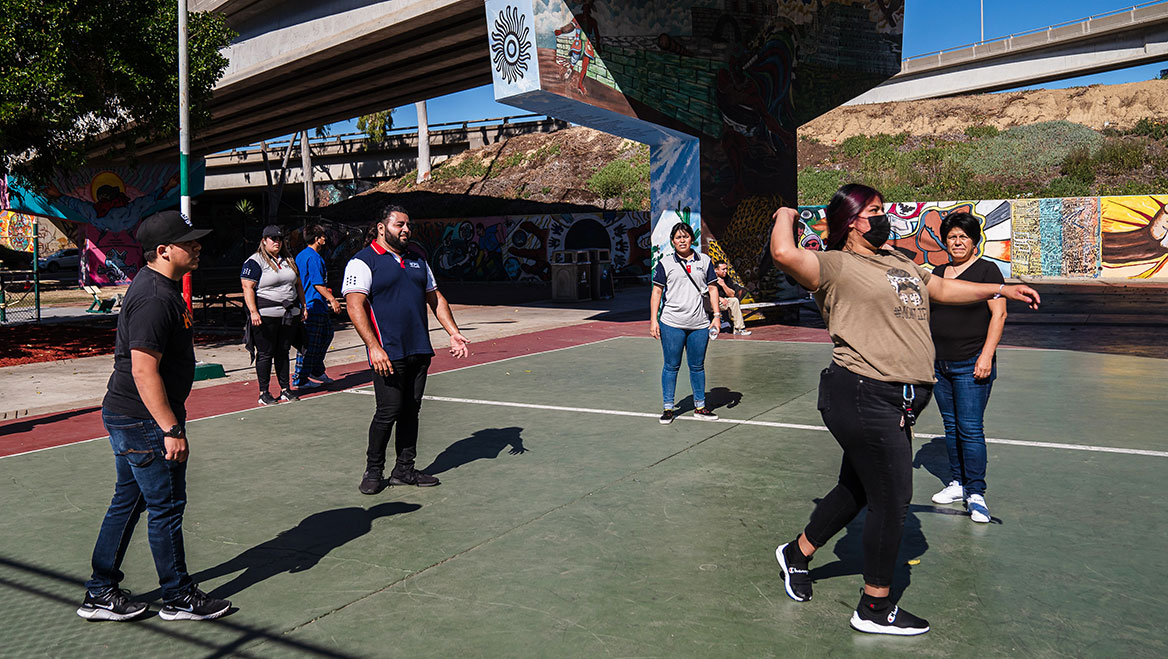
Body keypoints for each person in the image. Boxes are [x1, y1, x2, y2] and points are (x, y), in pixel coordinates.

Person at [767, 184, 1039, 636]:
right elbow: (782, 251)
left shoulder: (898, 261)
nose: (884, 217)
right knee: (891, 501)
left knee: (856, 489)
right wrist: (784, 211)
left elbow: (942, 289)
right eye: (874, 211)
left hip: (900, 400)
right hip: (860, 392)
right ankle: (873, 608)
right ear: (853, 220)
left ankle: (797, 553)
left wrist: (1001, 289)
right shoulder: (835, 265)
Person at [77, 210, 231, 622]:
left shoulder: (161, 288)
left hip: (131, 416)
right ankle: (179, 597)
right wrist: (170, 428)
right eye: (189, 242)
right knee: (166, 506)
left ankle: (100, 592)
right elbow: (144, 371)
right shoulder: (154, 297)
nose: (197, 246)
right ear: (163, 251)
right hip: (144, 420)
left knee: (128, 502)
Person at [343, 205, 471, 493]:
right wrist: (374, 348)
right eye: (399, 224)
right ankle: (373, 471)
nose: (406, 230)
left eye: (408, 225)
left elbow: (435, 298)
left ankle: (404, 470)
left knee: (411, 411)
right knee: (387, 412)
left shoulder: (417, 260)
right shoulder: (363, 262)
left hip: (419, 350)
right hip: (387, 354)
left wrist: (454, 333)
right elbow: (354, 306)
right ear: (381, 227)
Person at [928, 212, 1006, 524]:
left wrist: (986, 356)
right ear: (945, 242)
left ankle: (976, 493)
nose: (957, 242)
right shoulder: (938, 271)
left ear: (974, 241)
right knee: (950, 426)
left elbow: (998, 315)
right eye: (952, 237)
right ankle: (957, 484)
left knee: (970, 429)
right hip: (939, 364)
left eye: (963, 237)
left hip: (971, 363)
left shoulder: (988, 270)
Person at [649, 222, 722, 425]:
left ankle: (700, 407)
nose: (682, 240)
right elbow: (657, 292)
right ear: (673, 241)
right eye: (678, 238)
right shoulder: (665, 263)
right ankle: (668, 408)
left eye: (685, 236)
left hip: (699, 324)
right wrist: (653, 320)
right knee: (671, 366)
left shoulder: (704, 261)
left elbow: (713, 289)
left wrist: (716, 316)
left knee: (697, 366)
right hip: (671, 323)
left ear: (692, 239)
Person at [241, 225, 306, 406]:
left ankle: (285, 389)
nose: (276, 242)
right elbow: (247, 287)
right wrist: (253, 312)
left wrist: (303, 306)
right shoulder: (255, 261)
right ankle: (264, 392)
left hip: (289, 313)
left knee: (283, 352)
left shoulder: (288, 259)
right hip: (266, 314)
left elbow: (298, 284)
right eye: (272, 239)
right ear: (264, 240)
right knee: (265, 353)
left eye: (279, 238)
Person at [294, 224, 342, 389]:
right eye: (322, 236)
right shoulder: (312, 257)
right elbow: (317, 284)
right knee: (310, 342)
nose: (325, 239)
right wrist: (332, 299)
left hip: (315, 304)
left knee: (326, 335)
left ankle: (316, 369)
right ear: (316, 239)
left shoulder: (303, 256)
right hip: (313, 304)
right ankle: (300, 377)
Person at [713, 259, 751, 336]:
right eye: (723, 269)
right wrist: (719, 298)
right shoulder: (710, 277)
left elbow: (732, 294)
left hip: (723, 302)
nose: (725, 271)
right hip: (711, 302)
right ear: (716, 270)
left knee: (734, 300)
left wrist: (723, 285)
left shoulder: (726, 277)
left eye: (726, 269)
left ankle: (739, 328)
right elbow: (706, 292)